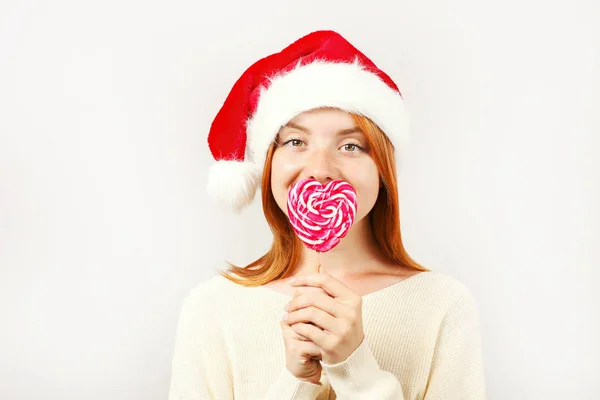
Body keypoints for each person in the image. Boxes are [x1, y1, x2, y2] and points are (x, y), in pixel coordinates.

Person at [168, 30, 485, 399]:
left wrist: (356, 368)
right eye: (296, 142)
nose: (320, 168)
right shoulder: (213, 307)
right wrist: (295, 381)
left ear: (382, 170)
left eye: (350, 146)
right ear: (269, 164)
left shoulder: (442, 305)